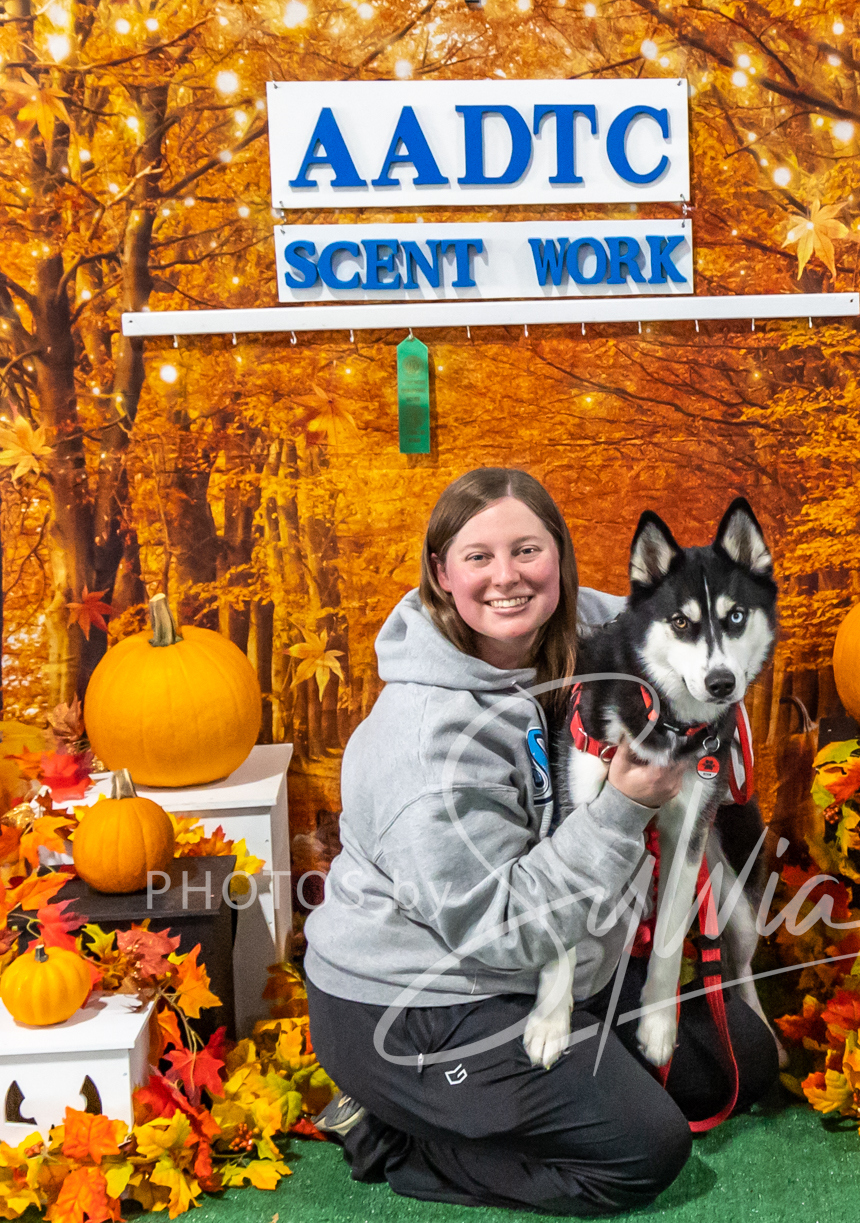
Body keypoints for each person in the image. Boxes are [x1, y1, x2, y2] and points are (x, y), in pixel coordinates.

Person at [303, 467, 779, 1216]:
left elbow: (677, 614)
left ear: (560, 557)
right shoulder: (426, 745)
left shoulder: (569, 629)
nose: (507, 577)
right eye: (479, 557)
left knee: (743, 1060)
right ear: (442, 574)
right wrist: (624, 806)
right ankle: (391, 1132)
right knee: (643, 1149)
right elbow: (502, 930)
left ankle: (524, 1093)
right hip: (422, 997)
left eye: (527, 550)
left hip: (551, 964)